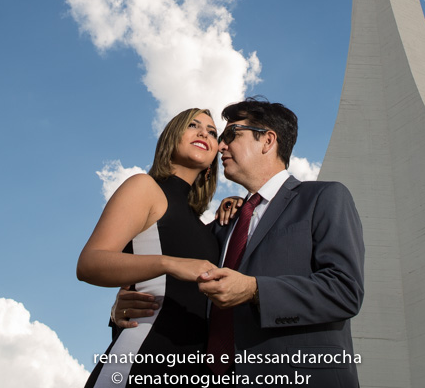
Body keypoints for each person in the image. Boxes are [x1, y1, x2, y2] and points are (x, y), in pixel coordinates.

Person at [116, 98, 365, 387]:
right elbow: (176, 271)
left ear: (267, 140)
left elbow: (345, 290)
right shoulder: (222, 226)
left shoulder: (323, 199)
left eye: (231, 134)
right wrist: (125, 304)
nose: (220, 146)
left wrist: (254, 289)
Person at [76, 108, 221, 388]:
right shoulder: (145, 187)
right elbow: (89, 264)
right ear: (172, 136)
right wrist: (170, 263)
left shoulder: (205, 228)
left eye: (212, 132)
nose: (204, 132)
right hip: (141, 357)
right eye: (193, 125)